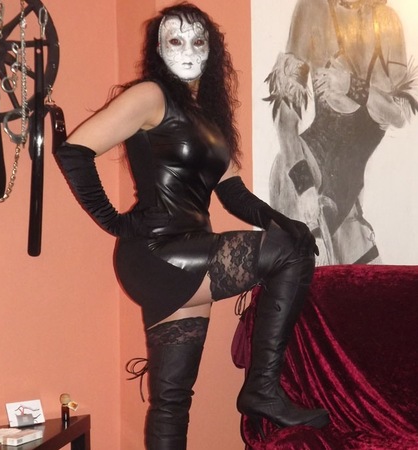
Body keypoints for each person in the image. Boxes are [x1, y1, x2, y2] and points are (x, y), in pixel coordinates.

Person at [54, 2, 329, 448]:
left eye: (198, 41)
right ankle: (262, 388)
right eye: (175, 40)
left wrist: (283, 220)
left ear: (212, 50)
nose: (187, 50)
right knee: (289, 253)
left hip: (187, 253)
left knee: (171, 399)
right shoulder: (150, 95)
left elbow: (233, 194)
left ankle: (261, 389)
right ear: (158, 48)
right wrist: (114, 222)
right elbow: (74, 152)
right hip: (158, 252)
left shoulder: (207, 118)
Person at [265, 0, 417, 265]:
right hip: (301, 177)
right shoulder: (311, 10)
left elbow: (401, 115)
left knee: (373, 287)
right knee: (313, 281)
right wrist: (304, 188)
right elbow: (285, 121)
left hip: (347, 202)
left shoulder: (388, 22)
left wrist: (351, 86)